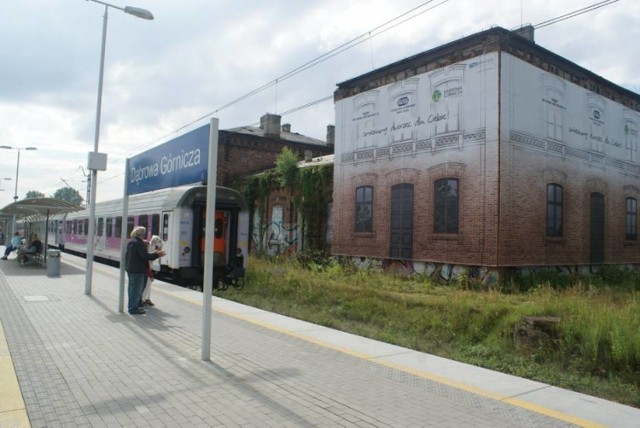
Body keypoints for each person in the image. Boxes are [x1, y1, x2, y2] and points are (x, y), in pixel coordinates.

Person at [125, 226, 165, 315]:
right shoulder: (139, 244)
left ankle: (131, 306)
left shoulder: (131, 242)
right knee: (137, 290)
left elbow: (138, 255)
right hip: (138, 270)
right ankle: (133, 308)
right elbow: (145, 256)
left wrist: (154, 253)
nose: (145, 235)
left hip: (130, 269)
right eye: (144, 233)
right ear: (142, 234)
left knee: (131, 289)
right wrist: (157, 255)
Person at [141, 235, 163, 307]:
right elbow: (149, 262)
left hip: (148, 270)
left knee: (148, 284)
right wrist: (150, 274)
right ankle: (143, 300)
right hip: (146, 271)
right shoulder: (147, 252)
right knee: (147, 284)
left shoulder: (149, 249)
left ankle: (147, 299)